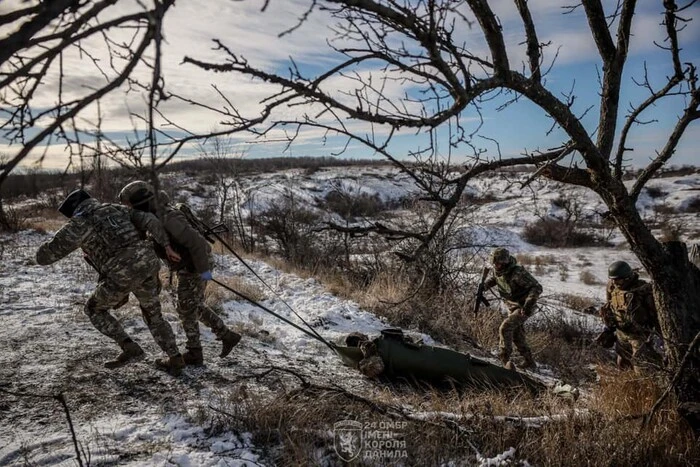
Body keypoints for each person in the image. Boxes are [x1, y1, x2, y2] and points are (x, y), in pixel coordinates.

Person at [36, 189, 186, 375]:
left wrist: (53, 240)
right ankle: (175, 357)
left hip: (120, 272)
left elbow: (44, 257)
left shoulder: (77, 224)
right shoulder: (116, 209)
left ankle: (129, 347)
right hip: (147, 263)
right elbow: (149, 219)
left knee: (94, 309)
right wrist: (166, 245)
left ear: (73, 211)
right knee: (153, 314)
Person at [119, 181, 241, 366]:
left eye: (129, 204)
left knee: (186, 308)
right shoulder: (155, 216)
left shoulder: (168, 217)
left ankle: (195, 353)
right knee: (191, 305)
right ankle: (226, 336)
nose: (128, 208)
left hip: (194, 265)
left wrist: (203, 271)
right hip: (189, 265)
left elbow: (199, 244)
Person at [596, 260, 662, 373]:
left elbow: (656, 314)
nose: (615, 282)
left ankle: (644, 389)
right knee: (622, 364)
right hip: (621, 333)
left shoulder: (643, 290)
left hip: (639, 335)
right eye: (613, 279)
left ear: (627, 278)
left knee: (641, 368)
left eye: (618, 280)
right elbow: (610, 306)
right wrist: (608, 329)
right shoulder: (612, 287)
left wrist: (660, 336)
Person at [483, 247, 542, 370]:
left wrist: (528, 304)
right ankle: (529, 362)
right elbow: (495, 278)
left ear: (505, 262)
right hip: (512, 306)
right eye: (494, 262)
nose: (496, 265)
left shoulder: (517, 272)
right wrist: (485, 286)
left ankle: (504, 360)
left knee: (505, 327)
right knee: (516, 334)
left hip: (523, 307)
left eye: (498, 262)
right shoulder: (497, 270)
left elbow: (536, 287)